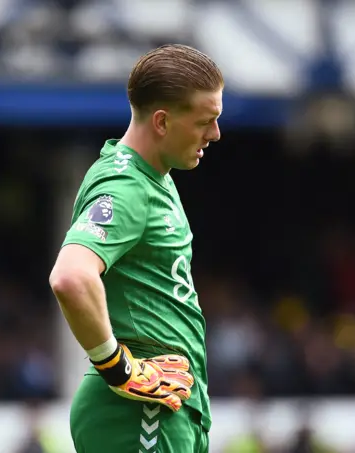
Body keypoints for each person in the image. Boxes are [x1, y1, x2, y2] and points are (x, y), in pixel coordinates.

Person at [49, 43, 223, 453]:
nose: (215, 134)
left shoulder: (152, 177)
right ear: (162, 121)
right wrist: (119, 367)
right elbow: (71, 277)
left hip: (166, 406)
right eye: (206, 121)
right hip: (141, 412)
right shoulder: (126, 187)